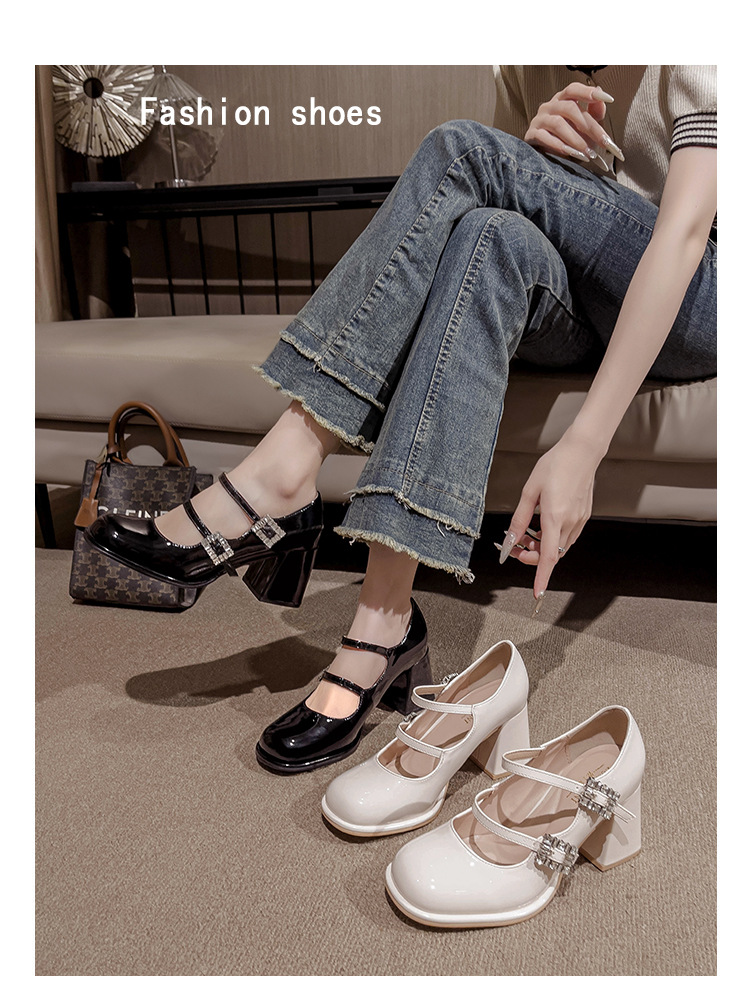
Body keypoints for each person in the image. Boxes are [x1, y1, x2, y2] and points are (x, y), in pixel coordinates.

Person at [86, 65, 717, 774]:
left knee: (462, 149)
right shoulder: (522, 58)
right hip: (584, 289)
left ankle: (281, 472)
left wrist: (584, 444)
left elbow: (685, 233)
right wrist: (533, 145)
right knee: (488, 236)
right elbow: (487, 207)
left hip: (701, 293)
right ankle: (383, 623)